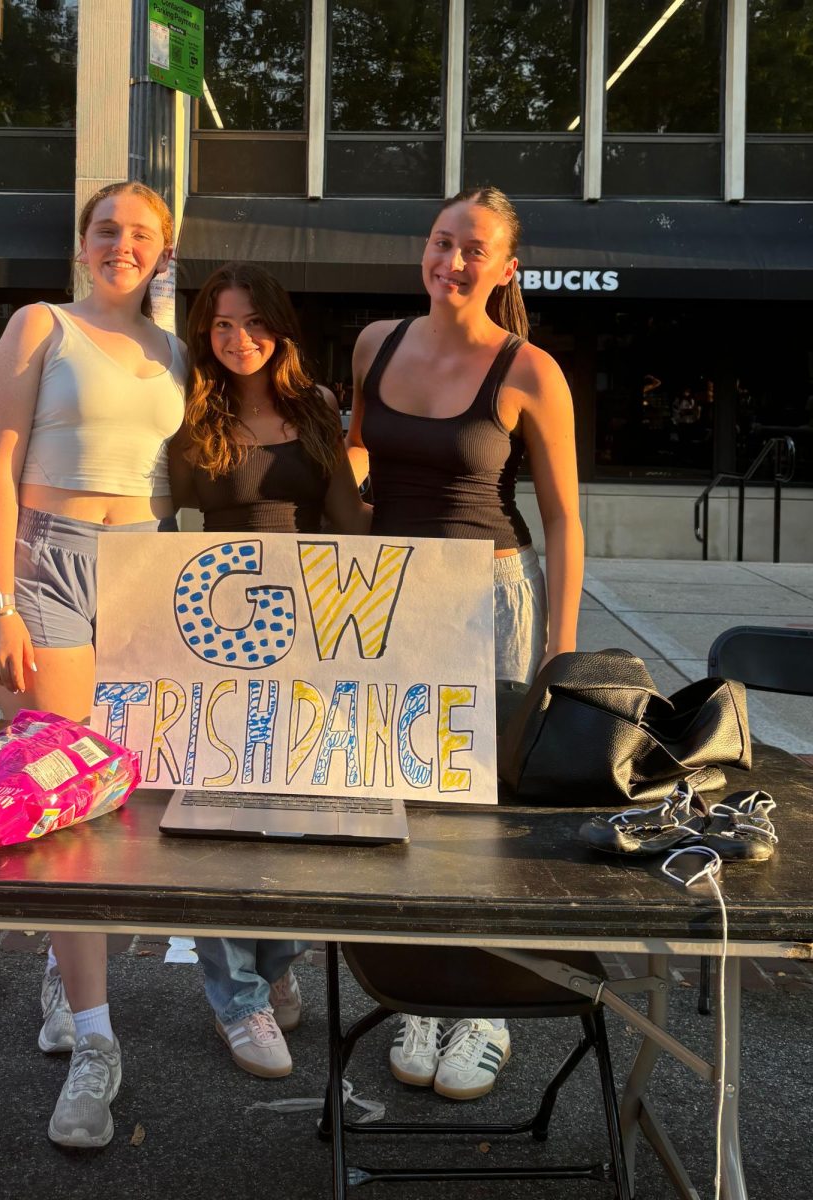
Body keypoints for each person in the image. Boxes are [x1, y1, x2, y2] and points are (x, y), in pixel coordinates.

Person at [345, 186, 584, 1101]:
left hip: (490, 597)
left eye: (474, 248)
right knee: (403, 796)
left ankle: (484, 1005)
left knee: (484, 810)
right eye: (442, 242)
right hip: (389, 598)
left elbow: (564, 521)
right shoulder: (376, 345)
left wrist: (561, 651)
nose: (453, 260)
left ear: (505, 268)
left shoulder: (529, 369)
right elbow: (363, 455)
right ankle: (421, 989)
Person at [0, 181, 185, 1149]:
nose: (122, 245)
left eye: (141, 234)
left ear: (164, 251)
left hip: (142, 568)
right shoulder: (40, 326)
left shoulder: (171, 350)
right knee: (66, 802)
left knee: (122, 802)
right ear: (83, 240)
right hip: (49, 565)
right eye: (108, 229)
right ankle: (100, 1045)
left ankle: (68, 975)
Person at [168, 261, 369, 1079]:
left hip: (312, 628)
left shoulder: (317, 408)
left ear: (280, 329)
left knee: (306, 810)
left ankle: (278, 956)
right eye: (220, 324)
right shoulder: (188, 411)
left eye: (252, 323)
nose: (237, 339)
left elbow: (352, 522)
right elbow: (157, 514)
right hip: (213, 628)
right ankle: (239, 1001)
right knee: (213, 814)